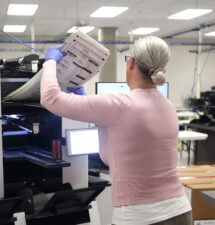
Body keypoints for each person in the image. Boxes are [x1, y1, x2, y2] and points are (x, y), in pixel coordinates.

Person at [40, 37, 192, 225]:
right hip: (180, 212)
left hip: (140, 218)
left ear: (132, 63)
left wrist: (50, 62)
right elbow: (119, 147)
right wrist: (90, 107)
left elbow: (50, 98)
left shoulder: (119, 104)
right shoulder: (167, 106)